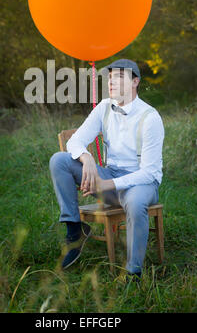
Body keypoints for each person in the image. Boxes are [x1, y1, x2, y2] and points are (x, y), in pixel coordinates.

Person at [49, 59, 165, 281]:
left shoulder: (150, 118)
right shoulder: (104, 107)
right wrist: (87, 158)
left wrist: (106, 184)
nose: (111, 82)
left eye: (119, 77)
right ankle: (75, 231)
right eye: (110, 78)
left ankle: (134, 271)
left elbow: (149, 172)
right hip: (109, 175)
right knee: (59, 160)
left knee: (135, 201)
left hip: (140, 184)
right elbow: (76, 141)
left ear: (135, 82)